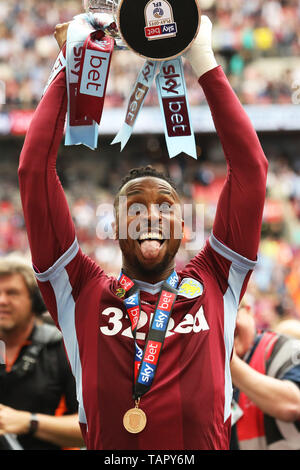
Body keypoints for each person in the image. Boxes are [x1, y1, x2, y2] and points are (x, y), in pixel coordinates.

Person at [18, 15, 268, 450]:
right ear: (115, 227)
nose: (150, 215)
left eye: (165, 207)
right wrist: (69, 64)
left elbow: (250, 169)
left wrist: (203, 60)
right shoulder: (78, 290)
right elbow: (33, 172)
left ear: (183, 225)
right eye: (134, 208)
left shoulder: (216, 278)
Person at [0, 256, 84, 450]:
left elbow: (92, 429)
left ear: (35, 301)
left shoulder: (64, 348)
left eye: (12, 293)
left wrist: (29, 422)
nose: (2, 301)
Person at [230, 300, 300, 450]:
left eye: (232, 312)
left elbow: (293, 404)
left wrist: (229, 361)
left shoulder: (283, 347)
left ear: (248, 311)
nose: (226, 325)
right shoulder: (204, 366)